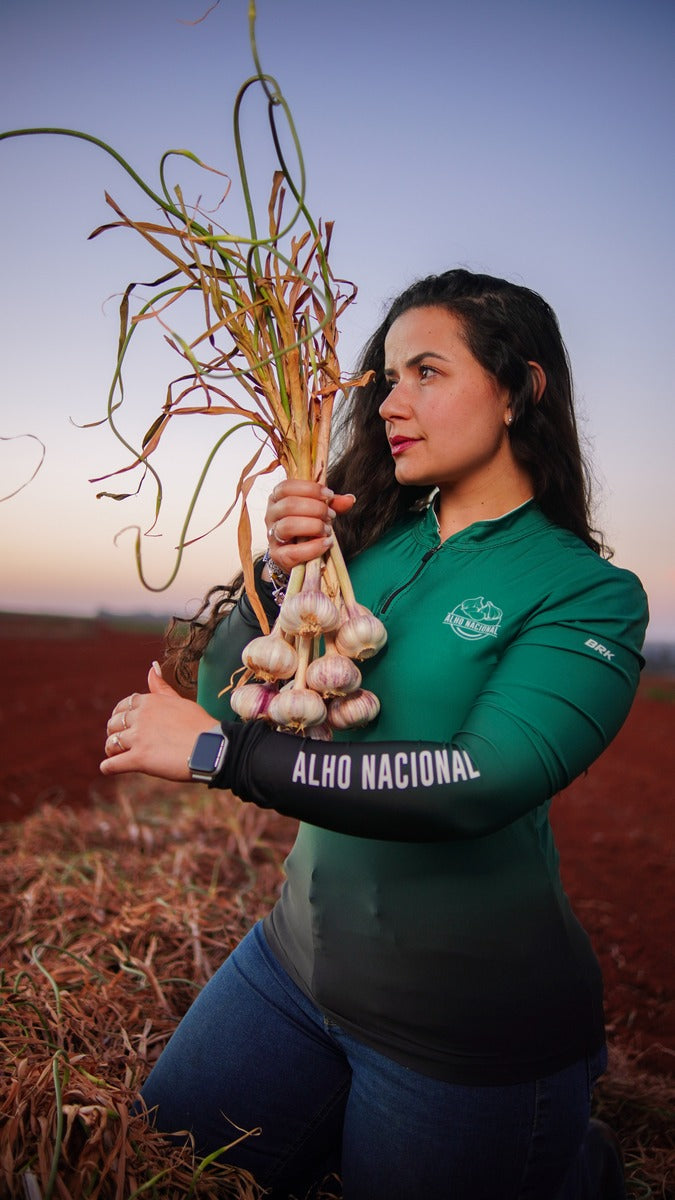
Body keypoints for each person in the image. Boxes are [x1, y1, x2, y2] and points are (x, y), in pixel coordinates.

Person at [100, 269, 648, 1200]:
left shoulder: (588, 592)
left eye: (425, 372)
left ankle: (575, 1168)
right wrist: (278, 570)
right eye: (386, 378)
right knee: (152, 1172)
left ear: (521, 389)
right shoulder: (372, 543)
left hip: (467, 1037)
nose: (389, 403)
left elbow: (481, 779)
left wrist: (216, 756)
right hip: (291, 968)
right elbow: (232, 682)